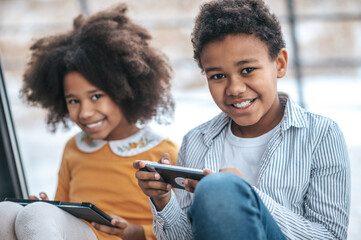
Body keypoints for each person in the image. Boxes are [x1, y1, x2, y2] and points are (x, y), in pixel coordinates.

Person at [134, 0, 350, 239]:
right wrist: (163, 200)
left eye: (247, 70)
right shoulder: (196, 141)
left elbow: (330, 236)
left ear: (279, 64)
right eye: (217, 76)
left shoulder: (321, 135)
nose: (235, 88)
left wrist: (245, 195)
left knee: (221, 188)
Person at [0, 3, 178, 240]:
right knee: (6, 212)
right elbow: (59, 208)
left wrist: (136, 233)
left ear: (125, 89)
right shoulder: (74, 148)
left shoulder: (163, 152)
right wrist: (45, 206)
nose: (84, 112)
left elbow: (184, 228)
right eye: (73, 101)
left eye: (96, 97)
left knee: (37, 216)